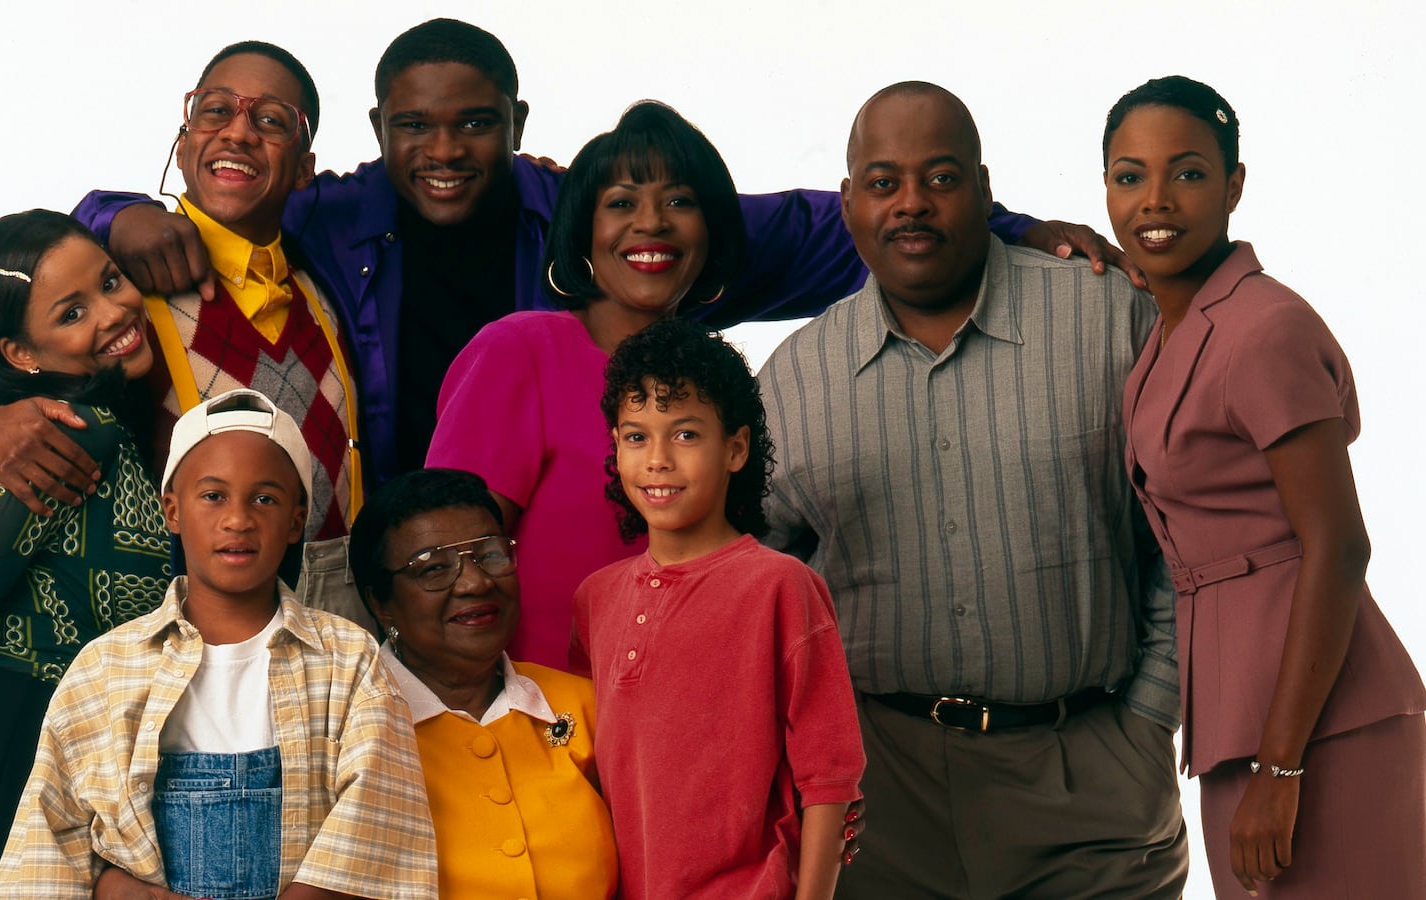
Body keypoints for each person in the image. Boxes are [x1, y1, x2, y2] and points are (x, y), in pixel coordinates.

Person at [76, 18, 1138, 486]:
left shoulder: (598, 221)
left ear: (517, 121)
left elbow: (830, 223)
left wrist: (1010, 228)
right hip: (386, 559)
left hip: (582, 552)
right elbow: (78, 271)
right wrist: (116, 215)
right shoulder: (331, 217)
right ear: (375, 132)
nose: (444, 152)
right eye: (414, 129)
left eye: (475, 124)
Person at [758, 82, 1188, 899]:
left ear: (985, 189)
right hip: (880, 808)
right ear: (848, 204)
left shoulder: (1109, 317)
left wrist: (1147, 720)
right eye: (883, 183)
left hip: (1090, 790)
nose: (911, 203)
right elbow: (752, 596)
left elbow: (1188, 531)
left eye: (941, 177)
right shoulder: (790, 383)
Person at [1104, 75, 1426, 898]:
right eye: (1130, 176)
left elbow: (1339, 545)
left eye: (1188, 172)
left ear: (1234, 186)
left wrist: (1281, 768)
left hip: (1320, 727)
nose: (1155, 199)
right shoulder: (1173, 331)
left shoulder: (1263, 329)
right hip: (1237, 722)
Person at [0, 41, 369, 624]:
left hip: (344, 620)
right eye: (216, 110)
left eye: (271, 120)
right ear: (182, 146)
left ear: (305, 169)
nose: (238, 132)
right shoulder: (126, 299)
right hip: (198, 626)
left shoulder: (325, 287)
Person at [0, 389, 437, 900]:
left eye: (264, 498)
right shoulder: (106, 667)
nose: (238, 519)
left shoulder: (348, 660)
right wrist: (114, 886)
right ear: (173, 511)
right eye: (213, 496)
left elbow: (377, 823)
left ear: (296, 520)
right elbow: (51, 836)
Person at [0, 209, 171, 900]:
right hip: (9, 740)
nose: (114, 312)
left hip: (60, 745)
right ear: (22, 354)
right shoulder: (62, 434)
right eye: (72, 312)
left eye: (110, 282)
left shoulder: (107, 427)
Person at [425, 99, 741, 668]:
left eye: (679, 201)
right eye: (622, 202)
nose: (652, 222)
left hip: (684, 704)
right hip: (538, 712)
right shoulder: (520, 352)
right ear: (582, 231)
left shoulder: (719, 381)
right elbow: (446, 563)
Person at [572, 318, 863, 899]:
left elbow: (830, 778)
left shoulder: (781, 586)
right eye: (636, 437)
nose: (657, 460)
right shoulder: (595, 599)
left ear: (735, 448)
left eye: (685, 435)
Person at [349, 467, 617, 898]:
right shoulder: (350, 729)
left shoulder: (585, 705)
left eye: (491, 554)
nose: (476, 582)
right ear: (380, 603)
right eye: (434, 568)